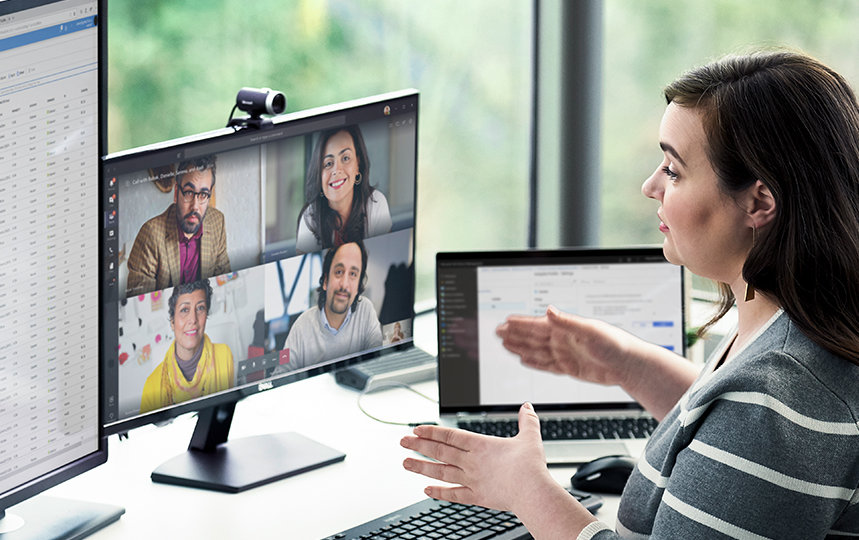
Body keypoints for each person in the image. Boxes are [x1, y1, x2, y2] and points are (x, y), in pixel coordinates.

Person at [400, 50, 859, 539]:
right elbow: (725, 437)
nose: (649, 186)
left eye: (674, 170)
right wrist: (628, 364)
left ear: (758, 202)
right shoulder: (797, 323)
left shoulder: (777, 399)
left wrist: (525, 490)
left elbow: (753, 428)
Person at [126, 155, 231, 297]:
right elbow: (142, 301)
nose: (195, 206)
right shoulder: (150, 235)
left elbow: (223, 284)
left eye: (203, 195)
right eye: (188, 192)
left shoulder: (217, 222)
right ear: (176, 193)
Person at [280, 240, 383, 371]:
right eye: (339, 272)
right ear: (326, 281)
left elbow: (377, 361)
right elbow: (281, 375)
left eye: (353, 274)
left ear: (358, 287)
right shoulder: (302, 326)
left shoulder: (366, 311)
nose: (344, 285)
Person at [140, 278, 234, 414]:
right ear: (172, 322)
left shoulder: (223, 355)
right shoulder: (152, 385)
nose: (193, 319)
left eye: (200, 308)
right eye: (184, 310)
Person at [295, 125, 392, 254]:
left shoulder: (376, 203)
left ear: (358, 164)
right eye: (328, 163)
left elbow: (385, 258)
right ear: (319, 173)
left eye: (345, 158)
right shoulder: (310, 218)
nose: (337, 171)